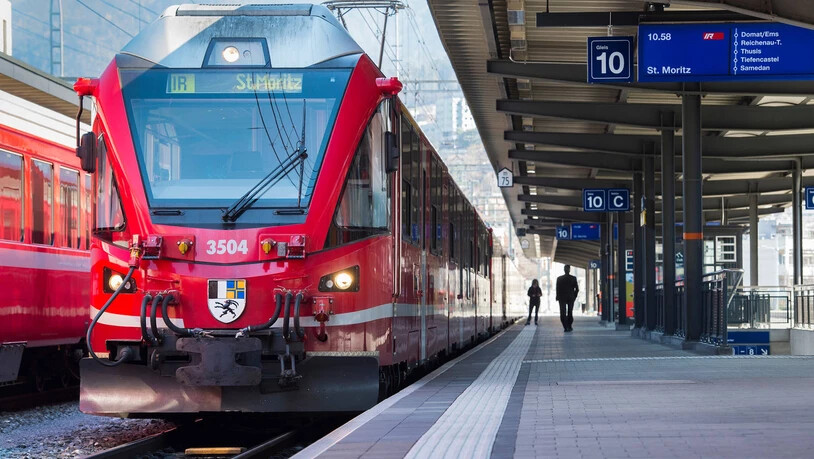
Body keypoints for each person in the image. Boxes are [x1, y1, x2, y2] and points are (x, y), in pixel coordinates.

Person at [555, 265, 579, 332]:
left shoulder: (559, 278)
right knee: (570, 312)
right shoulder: (573, 278)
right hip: (571, 297)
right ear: (569, 270)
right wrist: (574, 296)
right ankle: (569, 326)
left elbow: (557, 288)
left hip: (562, 298)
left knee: (562, 312)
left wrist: (557, 296)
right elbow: (577, 289)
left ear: (564, 270)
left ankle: (565, 327)